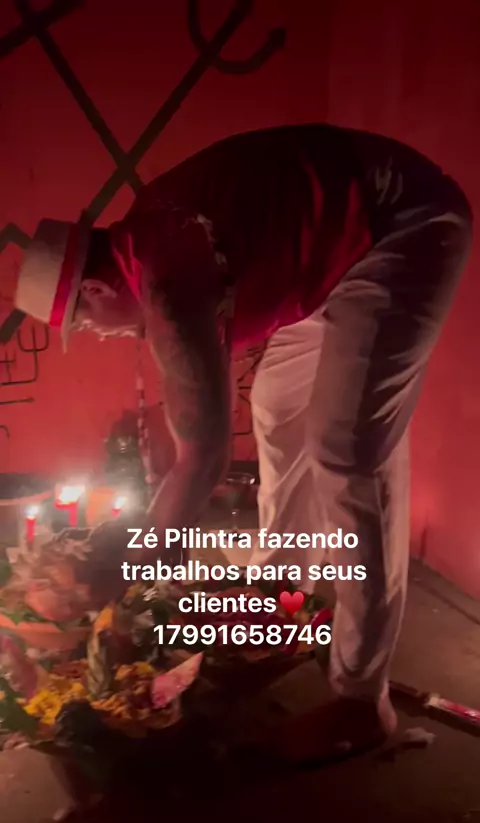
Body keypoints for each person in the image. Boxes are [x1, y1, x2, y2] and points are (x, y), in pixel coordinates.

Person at [14, 123, 473, 763]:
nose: (102, 335)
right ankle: (284, 594)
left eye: (87, 325)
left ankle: (362, 697)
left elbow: (201, 457)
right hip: (332, 255)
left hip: (401, 226)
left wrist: (127, 569)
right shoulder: (144, 244)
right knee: (277, 408)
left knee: (348, 452)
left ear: (95, 289)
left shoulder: (166, 285)